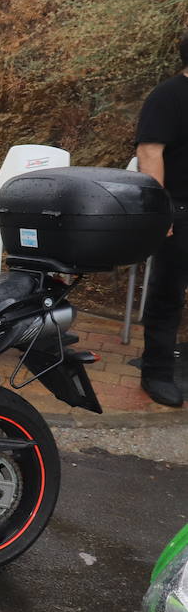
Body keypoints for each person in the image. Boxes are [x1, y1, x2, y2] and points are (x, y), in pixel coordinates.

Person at [134, 28, 188, 409]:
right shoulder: (169, 95)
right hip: (180, 208)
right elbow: (149, 152)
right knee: (168, 294)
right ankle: (156, 372)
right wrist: (160, 208)